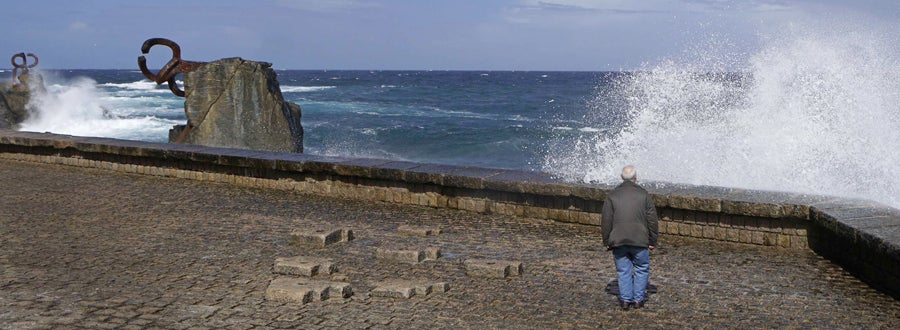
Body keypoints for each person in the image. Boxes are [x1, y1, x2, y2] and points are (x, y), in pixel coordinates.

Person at [601, 165, 659, 310]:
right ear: (635, 177)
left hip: (618, 240)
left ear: (622, 177)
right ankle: (638, 300)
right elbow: (652, 219)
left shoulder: (612, 195)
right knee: (641, 268)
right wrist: (652, 240)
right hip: (640, 239)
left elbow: (606, 220)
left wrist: (607, 241)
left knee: (623, 270)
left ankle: (625, 300)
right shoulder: (644, 195)